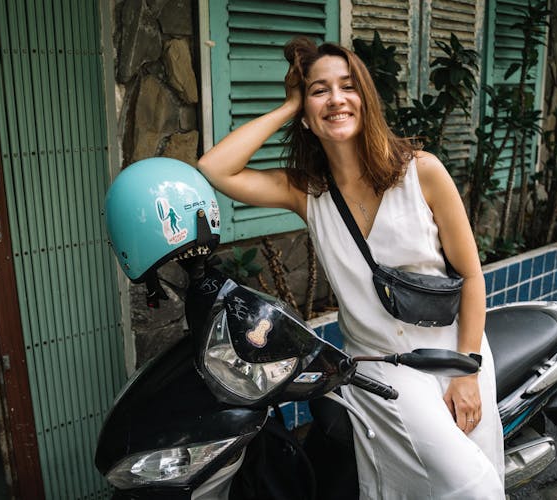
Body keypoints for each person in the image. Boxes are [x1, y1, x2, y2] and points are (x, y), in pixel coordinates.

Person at [196, 36, 505, 498]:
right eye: (320, 90)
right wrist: (289, 106)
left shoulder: (421, 171)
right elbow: (214, 168)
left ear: (365, 98)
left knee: (482, 470)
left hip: (455, 348)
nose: (336, 99)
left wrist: (467, 373)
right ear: (307, 110)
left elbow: (472, 276)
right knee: (471, 488)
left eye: (347, 86)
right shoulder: (308, 192)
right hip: (384, 367)